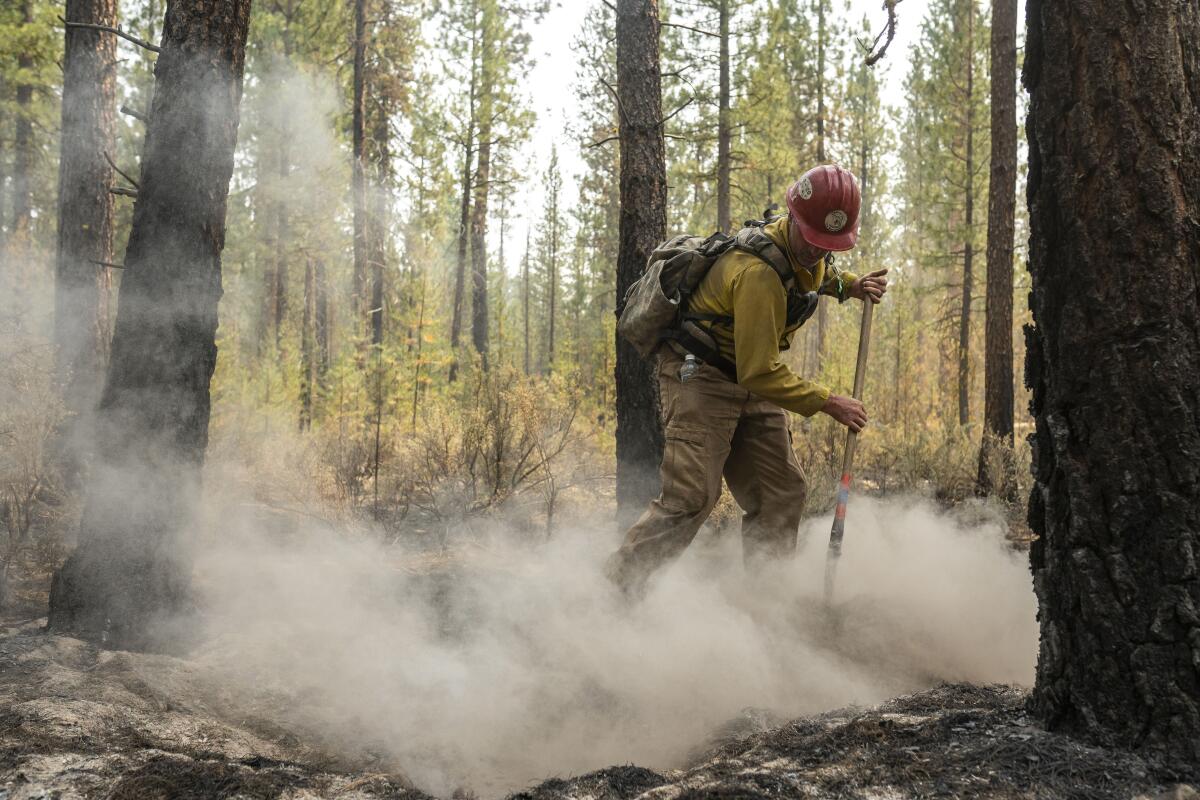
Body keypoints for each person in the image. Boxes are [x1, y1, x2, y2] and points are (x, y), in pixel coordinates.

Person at [607, 164, 888, 596]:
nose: (817, 250)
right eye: (813, 239)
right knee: (691, 499)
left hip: (748, 377)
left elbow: (812, 275)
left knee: (781, 491)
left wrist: (849, 284)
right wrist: (829, 402)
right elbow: (761, 370)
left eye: (828, 245)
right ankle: (613, 592)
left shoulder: (800, 251)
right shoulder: (756, 275)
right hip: (700, 376)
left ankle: (764, 609)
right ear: (793, 218)